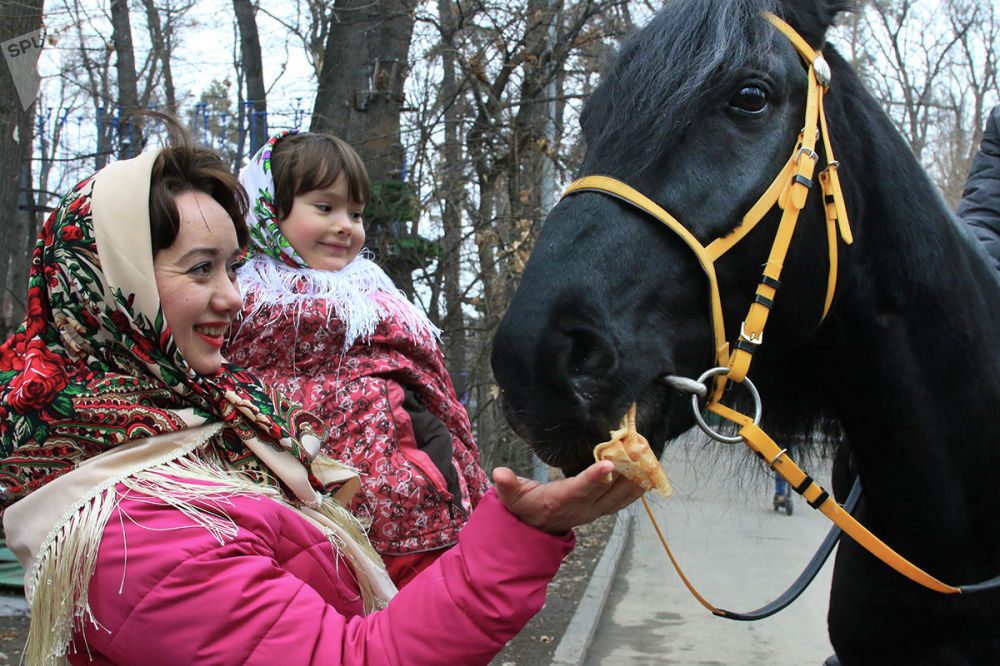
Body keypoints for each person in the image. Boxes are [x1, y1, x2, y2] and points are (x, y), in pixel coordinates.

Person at [0, 125, 644, 664]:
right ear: (112, 290)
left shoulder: (213, 423)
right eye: (201, 268)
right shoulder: (134, 530)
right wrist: (524, 532)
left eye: (233, 265)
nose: (232, 296)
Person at [225, 130, 490, 587]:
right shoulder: (232, 303)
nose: (346, 225)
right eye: (325, 208)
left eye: (356, 213)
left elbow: (438, 400)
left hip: (411, 523)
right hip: (291, 533)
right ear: (268, 208)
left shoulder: (376, 302)